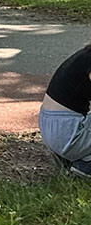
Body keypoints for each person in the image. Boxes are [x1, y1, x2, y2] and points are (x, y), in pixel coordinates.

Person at [39, 46, 91, 177]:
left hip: (55, 128)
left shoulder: (85, 55)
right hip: (67, 133)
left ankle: (78, 159)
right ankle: (85, 166)